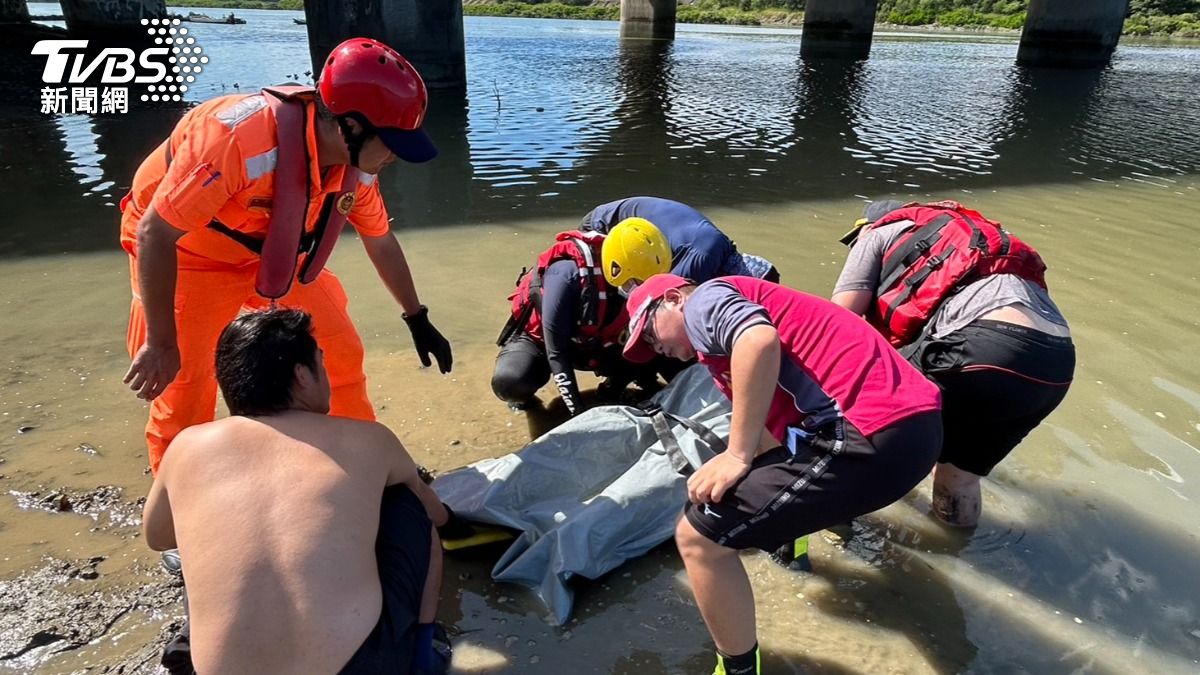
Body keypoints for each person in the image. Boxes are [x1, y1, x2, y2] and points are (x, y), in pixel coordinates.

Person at [120, 37, 453, 474]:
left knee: (339, 353)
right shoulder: (236, 140)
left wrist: (417, 317)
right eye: (391, 142)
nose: (395, 155)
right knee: (182, 389)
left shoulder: (357, 171)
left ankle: (364, 469)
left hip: (274, 253)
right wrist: (161, 342)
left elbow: (381, 240)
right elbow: (155, 233)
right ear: (349, 127)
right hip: (187, 254)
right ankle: (178, 508)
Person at [622, 274, 943, 674]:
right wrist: (750, 472)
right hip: (911, 432)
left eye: (651, 335)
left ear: (673, 298)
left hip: (867, 430)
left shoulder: (704, 300)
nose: (658, 350)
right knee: (758, 481)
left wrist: (736, 455)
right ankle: (794, 550)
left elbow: (757, 340)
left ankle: (738, 670)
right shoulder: (722, 352)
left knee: (697, 538)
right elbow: (774, 446)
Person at [142, 308, 450, 674]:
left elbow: (158, 537)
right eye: (321, 361)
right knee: (406, 504)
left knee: (206, 538)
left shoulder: (187, 446)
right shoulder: (368, 438)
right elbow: (435, 514)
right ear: (302, 375)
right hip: (360, 667)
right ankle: (422, 651)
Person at [832, 199, 1075, 527]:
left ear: (868, 225)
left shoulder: (878, 233)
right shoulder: (974, 239)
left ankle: (833, 519)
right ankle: (956, 550)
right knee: (959, 477)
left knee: (863, 420)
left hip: (981, 344)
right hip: (1056, 363)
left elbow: (839, 323)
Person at [491, 230, 652, 417]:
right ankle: (526, 399)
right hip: (544, 342)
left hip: (597, 342)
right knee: (510, 382)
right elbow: (557, 353)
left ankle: (611, 390)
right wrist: (578, 413)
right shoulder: (565, 275)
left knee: (660, 344)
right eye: (636, 282)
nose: (640, 288)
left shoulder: (638, 278)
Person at [580, 196, 779, 293]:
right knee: (631, 294)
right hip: (600, 226)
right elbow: (661, 298)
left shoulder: (720, 246)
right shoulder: (702, 257)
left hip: (617, 218)